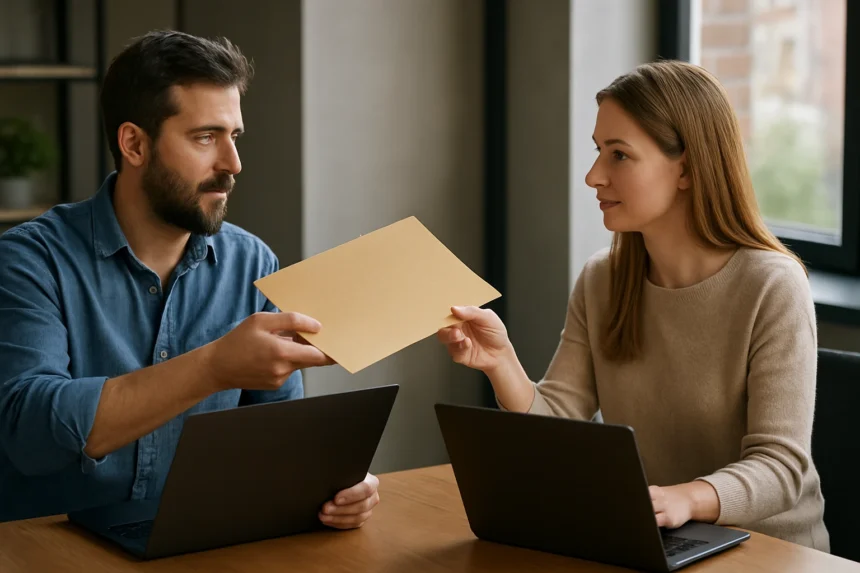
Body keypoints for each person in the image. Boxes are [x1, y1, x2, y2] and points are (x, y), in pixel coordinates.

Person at [438, 60, 828, 551]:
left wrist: (686, 499)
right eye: (599, 151)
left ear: (686, 168)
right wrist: (500, 363)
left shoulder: (771, 285)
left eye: (619, 155)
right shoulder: (603, 278)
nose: (592, 176)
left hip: (769, 551)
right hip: (656, 539)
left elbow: (782, 467)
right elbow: (560, 417)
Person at [0, 30, 378, 529]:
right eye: (205, 138)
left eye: (234, 137)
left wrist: (333, 486)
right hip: (48, 549)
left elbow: (276, 441)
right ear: (134, 143)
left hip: (196, 545)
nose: (233, 165)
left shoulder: (253, 263)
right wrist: (214, 367)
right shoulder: (29, 260)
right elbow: (30, 430)